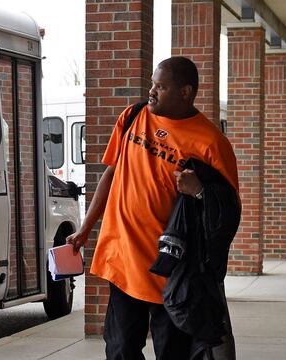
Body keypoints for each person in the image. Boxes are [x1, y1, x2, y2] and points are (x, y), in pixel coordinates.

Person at [67, 56, 239, 360]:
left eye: (161, 86)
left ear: (185, 93)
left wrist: (198, 189)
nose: (152, 91)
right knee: (120, 350)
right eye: (152, 84)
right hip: (123, 259)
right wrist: (85, 227)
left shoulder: (210, 142)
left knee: (172, 354)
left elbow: (228, 210)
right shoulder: (133, 116)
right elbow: (111, 173)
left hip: (171, 271)